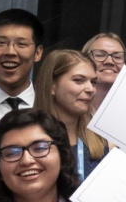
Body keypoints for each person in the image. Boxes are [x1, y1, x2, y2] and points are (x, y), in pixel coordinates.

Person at [31, 49, 110, 181]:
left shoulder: (99, 142)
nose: (90, 89)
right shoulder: (28, 139)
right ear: (52, 86)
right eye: (79, 81)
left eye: (93, 82)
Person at [0, 9, 47, 125]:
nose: (10, 52)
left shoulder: (53, 108)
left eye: (21, 44)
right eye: (1, 43)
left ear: (37, 53)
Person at [81, 32, 126, 115]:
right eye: (99, 55)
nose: (109, 61)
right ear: (84, 60)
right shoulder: (70, 107)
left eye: (117, 57)